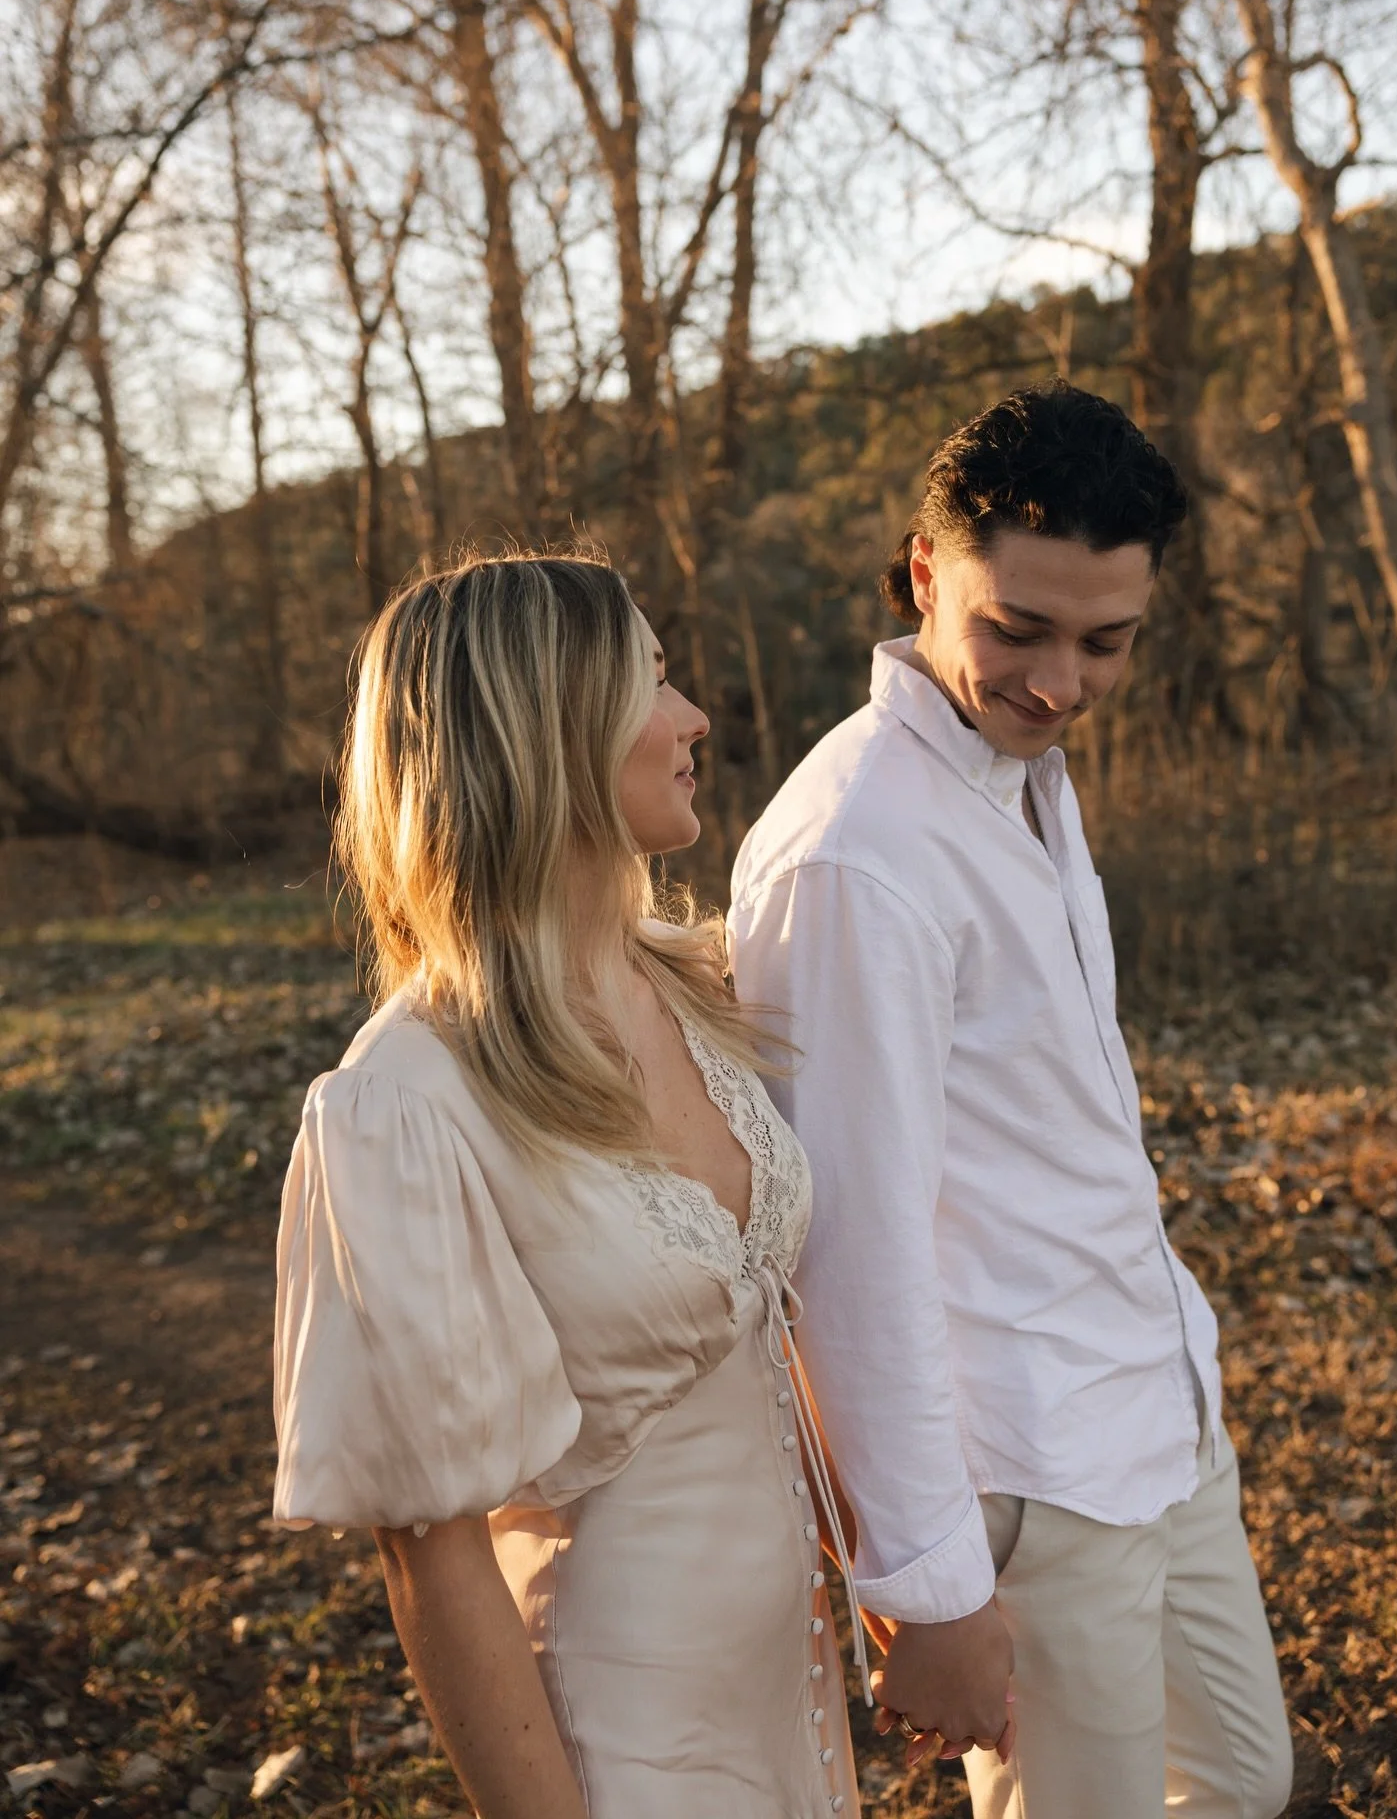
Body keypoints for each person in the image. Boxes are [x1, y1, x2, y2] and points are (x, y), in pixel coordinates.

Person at [728, 382, 1294, 1819]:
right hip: (1029, 1465)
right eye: (1016, 630)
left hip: (1156, 1409)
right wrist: (926, 1582)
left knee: (1238, 1777)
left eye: (1106, 643)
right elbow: (843, 1252)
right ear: (927, 571)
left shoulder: (1021, 774)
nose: (1060, 683)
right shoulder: (857, 856)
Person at [271, 553, 865, 1819]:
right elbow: (430, 1554)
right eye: (651, 679)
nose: (696, 716)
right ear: (542, 733)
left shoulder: (695, 986)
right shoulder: (408, 1102)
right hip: (621, 1730)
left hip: (795, 1698)